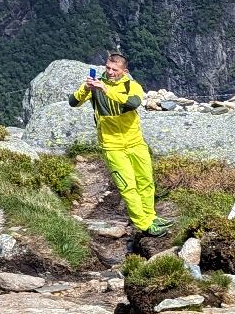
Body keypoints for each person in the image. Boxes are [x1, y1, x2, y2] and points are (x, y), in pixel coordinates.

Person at [72, 51, 168, 238]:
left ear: (124, 71)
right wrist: (87, 88)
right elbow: (72, 102)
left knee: (146, 182)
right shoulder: (96, 86)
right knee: (128, 186)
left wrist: (106, 90)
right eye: (108, 68)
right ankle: (144, 225)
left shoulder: (131, 86)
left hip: (135, 142)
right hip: (112, 145)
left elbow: (133, 103)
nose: (110, 72)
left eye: (115, 69)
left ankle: (150, 216)